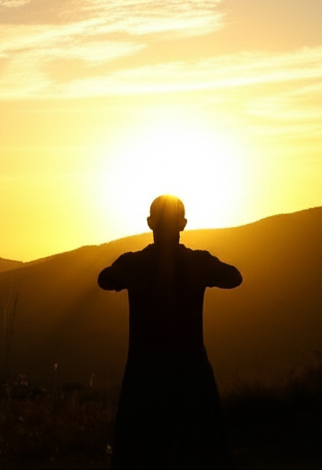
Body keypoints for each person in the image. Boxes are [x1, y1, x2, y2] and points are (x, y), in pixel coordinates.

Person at [99, 195, 242, 469]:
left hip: (144, 374)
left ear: (150, 223)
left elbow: (105, 279)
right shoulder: (197, 263)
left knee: (141, 453)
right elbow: (234, 277)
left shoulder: (134, 263)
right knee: (198, 452)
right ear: (183, 224)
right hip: (191, 373)